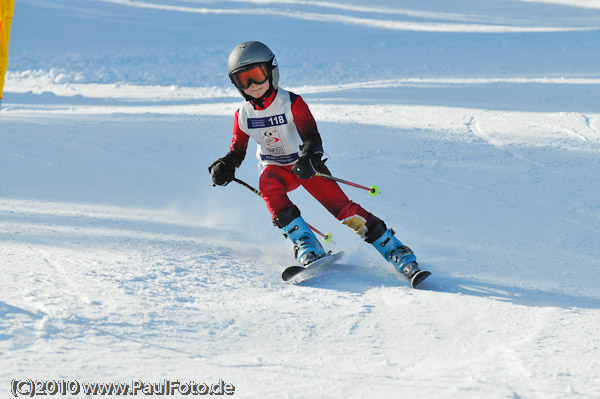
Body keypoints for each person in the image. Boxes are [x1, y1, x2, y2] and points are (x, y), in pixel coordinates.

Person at [209, 41, 423, 282]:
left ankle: (394, 249)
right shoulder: (243, 115)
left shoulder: (291, 103)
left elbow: (311, 136)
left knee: (343, 211)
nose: (252, 86)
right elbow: (237, 150)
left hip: (306, 167)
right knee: (267, 183)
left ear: (271, 71)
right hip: (276, 169)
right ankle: (307, 244)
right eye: (243, 80)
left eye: (257, 76)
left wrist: (310, 157)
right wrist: (226, 165)